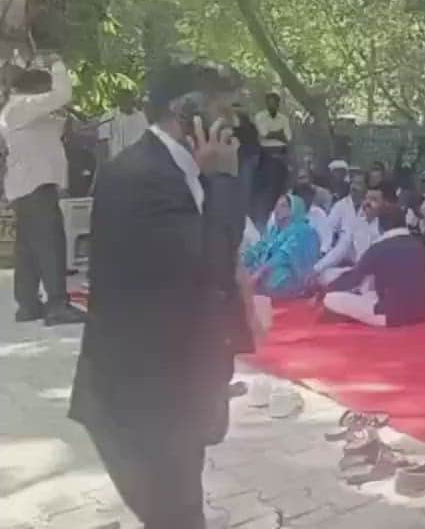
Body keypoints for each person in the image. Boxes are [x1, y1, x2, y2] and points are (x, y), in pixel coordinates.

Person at [69, 57, 250, 527]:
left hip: (175, 385)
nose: (232, 122)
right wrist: (223, 181)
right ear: (185, 111)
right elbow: (208, 268)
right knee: (177, 516)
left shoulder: (179, 168)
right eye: (223, 110)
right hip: (143, 396)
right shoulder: (140, 178)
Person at [0, 55, 85, 325]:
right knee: (50, 244)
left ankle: (28, 304)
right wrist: (58, 64)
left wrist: (63, 117)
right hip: (35, 188)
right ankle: (57, 304)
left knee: (27, 249)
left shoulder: (19, 111)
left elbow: (53, 126)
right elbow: (62, 93)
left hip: (26, 187)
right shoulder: (22, 106)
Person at [321, 183, 425, 327]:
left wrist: (322, 294)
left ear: (381, 224)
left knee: (330, 299)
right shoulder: (418, 245)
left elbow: (354, 278)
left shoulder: (379, 247)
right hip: (419, 312)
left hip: (390, 315)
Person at [242, 193, 321, 299]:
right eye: (277, 205)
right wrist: (243, 259)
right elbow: (260, 246)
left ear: (293, 210)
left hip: (292, 274)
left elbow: (284, 255)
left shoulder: (303, 230)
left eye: (283, 206)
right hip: (268, 269)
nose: (277, 209)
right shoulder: (274, 230)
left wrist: (260, 273)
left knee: (277, 274)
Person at [253, 91, 291, 223]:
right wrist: (277, 134)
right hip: (266, 154)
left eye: (275, 103)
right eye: (270, 103)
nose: (272, 105)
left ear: (278, 104)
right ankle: (263, 217)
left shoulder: (284, 119)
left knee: (281, 186)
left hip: (281, 153)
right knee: (266, 188)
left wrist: (272, 134)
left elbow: (288, 137)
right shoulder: (260, 117)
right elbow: (263, 134)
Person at [97, 88, 149, 160]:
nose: (124, 102)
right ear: (117, 100)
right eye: (121, 99)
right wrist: (104, 164)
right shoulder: (108, 117)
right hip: (117, 162)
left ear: (132, 99)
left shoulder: (143, 117)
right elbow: (103, 143)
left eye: (127, 99)